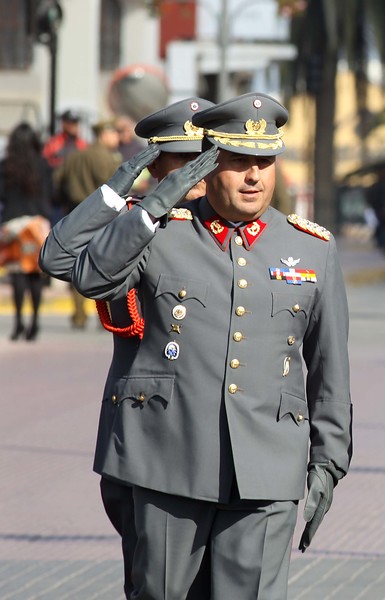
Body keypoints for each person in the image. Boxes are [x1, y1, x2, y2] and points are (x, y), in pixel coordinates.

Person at [70, 92, 353, 598]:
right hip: (169, 460)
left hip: (268, 467)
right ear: (209, 164)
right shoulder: (159, 231)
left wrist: (328, 465)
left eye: (264, 163)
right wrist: (152, 203)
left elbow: (329, 369)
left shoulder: (312, 247)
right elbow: (90, 275)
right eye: (239, 162)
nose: (254, 176)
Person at [40, 97, 215, 598]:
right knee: (150, 582)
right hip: (142, 432)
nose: (194, 174)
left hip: (212, 433)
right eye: (182, 162)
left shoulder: (231, 233)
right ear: (157, 165)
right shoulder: (136, 225)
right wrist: (120, 186)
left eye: (205, 159)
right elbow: (58, 258)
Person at [56, 118, 122, 329]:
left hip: (75, 214)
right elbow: (116, 188)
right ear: (104, 134)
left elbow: (58, 183)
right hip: (101, 216)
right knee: (106, 265)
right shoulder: (105, 158)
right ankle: (108, 314)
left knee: (77, 265)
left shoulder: (74, 156)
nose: (117, 138)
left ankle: (79, 314)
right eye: (114, 133)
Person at [0, 123, 53, 341]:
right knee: (35, 274)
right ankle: (35, 321)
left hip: (13, 224)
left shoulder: (6, 166)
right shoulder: (43, 165)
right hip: (37, 223)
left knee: (17, 274)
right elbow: (51, 194)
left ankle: (19, 321)